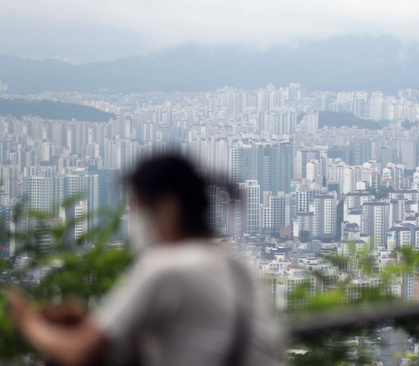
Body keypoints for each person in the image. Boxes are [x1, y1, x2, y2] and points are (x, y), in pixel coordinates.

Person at [9, 154, 284, 366]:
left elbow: (78, 352)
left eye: (136, 207)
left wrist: (28, 321)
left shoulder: (166, 268)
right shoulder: (236, 265)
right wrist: (93, 322)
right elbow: (194, 339)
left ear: (167, 209)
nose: (133, 220)